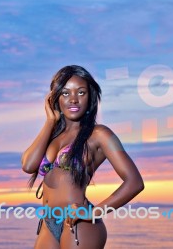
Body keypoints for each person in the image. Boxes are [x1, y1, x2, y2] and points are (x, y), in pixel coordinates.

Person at [21, 65, 144, 249]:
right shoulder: (52, 135)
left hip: (78, 223)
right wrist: (50, 121)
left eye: (81, 92)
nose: (73, 99)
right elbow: (28, 165)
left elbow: (135, 182)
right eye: (65, 93)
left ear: (90, 97)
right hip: (48, 222)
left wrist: (94, 213)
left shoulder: (99, 134)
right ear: (55, 99)